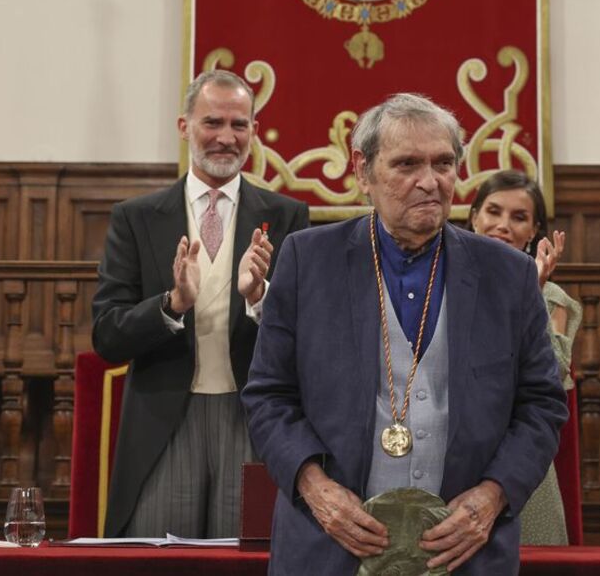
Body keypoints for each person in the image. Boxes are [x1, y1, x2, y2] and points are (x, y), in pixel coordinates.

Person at [242, 93, 567, 575]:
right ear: (363, 169)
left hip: (465, 550)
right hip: (329, 545)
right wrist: (315, 487)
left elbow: (542, 404)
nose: (429, 182)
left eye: (443, 163)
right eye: (407, 164)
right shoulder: (307, 260)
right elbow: (269, 396)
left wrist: (492, 496)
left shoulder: (508, 275)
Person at [92, 69, 309, 538]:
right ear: (184, 126)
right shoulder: (136, 218)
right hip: (165, 421)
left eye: (239, 125)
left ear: (253, 130)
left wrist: (260, 299)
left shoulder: (287, 215)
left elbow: (309, 333)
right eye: (212, 123)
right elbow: (107, 336)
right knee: (161, 565)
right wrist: (171, 304)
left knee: (250, 556)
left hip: (252, 420)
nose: (226, 138)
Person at [468, 169, 582, 545]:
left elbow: (557, 380)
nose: (503, 225)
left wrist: (531, 294)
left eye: (518, 218)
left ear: (534, 232)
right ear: (474, 217)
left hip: (520, 462)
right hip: (454, 459)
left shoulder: (552, 298)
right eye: (493, 212)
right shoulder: (441, 284)